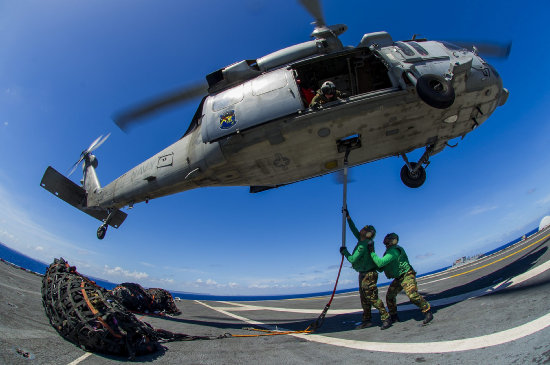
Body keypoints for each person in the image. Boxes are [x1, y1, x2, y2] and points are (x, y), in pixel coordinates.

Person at [340, 209, 391, 330]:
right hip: (363, 274)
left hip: (369, 274)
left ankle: (386, 318)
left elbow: (352, 259)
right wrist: (348, 217)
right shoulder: (362, 240)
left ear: (368, 234)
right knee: (364, 299)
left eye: (365, 229)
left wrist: (344, 251)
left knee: (372, 297)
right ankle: (367, 320)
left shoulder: (363, 245)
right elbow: (353, 229)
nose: (362, 229)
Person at [368, 233, 433, 325]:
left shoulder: (394, 251)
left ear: (393, 240)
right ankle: (394, 317)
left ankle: (427, 311)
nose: (385, 239)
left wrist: (372, 252)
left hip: (407, 275)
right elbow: (381, 268)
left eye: (388, 238)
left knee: (412, 295)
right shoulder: (388, 252)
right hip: (399, 278)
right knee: (390, 297)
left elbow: (380, 263)